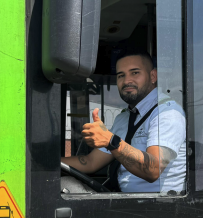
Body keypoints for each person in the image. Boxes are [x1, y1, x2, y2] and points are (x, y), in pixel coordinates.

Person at [61, 51, 186, 193]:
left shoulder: (167, 113)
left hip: (157, 207)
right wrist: (43, 165)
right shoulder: (123, 118)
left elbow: (153, 169)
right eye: (121, 75)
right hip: (125, 202)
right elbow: (90, 162)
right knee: (64, 184)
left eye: (135, 73)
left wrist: (110, 141)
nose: (127, 81)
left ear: (153, 76)